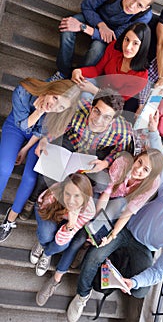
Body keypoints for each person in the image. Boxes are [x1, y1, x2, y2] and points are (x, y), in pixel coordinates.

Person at [65, 112, 163, 322]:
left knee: (140, 292)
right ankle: (82, 295)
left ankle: (118, 269)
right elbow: (160, 166)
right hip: (126, 227)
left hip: (144, 247)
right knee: (94, 257)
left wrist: (134, 282)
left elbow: (159, 271)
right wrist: (153, 131)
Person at [35, 147, 163, 306]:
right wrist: (94, 220)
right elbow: (107, 193)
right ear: (136, 157)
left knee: (83, 237)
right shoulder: (123, 163)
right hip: (101, 194)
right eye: (139, 162)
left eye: (145, 170)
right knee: (82, 231)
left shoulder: (151, 185)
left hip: (119, 204)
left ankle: (57, 277)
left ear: (150, 175)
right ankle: (57, 245)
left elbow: (128, 212)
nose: (138, 169)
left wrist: (112, 234)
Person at [20, 88, 133, 221]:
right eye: (97, 111)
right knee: (48, 166)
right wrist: (46, 139)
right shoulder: (78, 108)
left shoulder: (123, 131)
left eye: (106, 117)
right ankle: (33, 199)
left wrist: (105, 163)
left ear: (113, 120)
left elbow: (120, 150)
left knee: (99, 182)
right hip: (72, 142)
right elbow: (62, 126)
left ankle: (66, 202)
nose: (98, 120)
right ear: (91, 107)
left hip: (92, 153)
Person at [0, 79, 81, 242]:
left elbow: (42, 132)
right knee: (4, 168)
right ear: (52, 88)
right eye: (55, 98)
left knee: (30, 178)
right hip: (17, 126)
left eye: (61, 107)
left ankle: (11, 218)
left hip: (37, 138)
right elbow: (22, 125)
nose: (54, 106)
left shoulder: (59, 115)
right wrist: (39, 111)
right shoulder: (24, 90)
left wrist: (24, 149)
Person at [51, 0, 160, 79]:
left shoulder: (144, 17)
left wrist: (82, 27)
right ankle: (63, 72)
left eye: (139, 5)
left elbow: (117, 38)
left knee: (96, 50)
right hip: (94, 17)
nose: (132, 5)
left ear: (145, 8)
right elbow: (87, 5)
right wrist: (101, 24)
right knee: (67, 28)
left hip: (111, 34)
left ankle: (77, 76)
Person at [30, 173, 95, 278]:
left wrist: (71, 224)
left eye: (77, 195)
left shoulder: (89, 210)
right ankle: (42, 243)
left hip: (67, 218)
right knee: (46, 234)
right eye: (67, 194)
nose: (71, 200)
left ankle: (46, 253)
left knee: (62, 245)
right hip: (48, 210)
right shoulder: (54, 195)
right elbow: (45, 212)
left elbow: (61, 241)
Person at [71, 22, 150, 105]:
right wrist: (79, 71)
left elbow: (118, 99)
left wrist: (94, 90)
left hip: (111, 102)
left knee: (85, 95)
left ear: (142, 47)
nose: (128, 47)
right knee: (78, 83)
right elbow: (98, 70)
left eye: (135, 43)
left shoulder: (142, 76)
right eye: (127, 39)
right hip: (99, 84)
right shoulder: (114, 47)